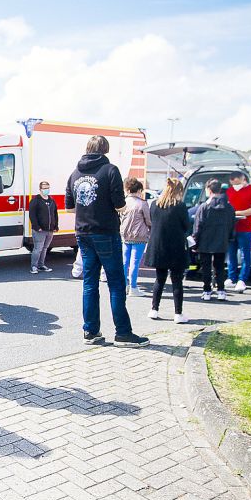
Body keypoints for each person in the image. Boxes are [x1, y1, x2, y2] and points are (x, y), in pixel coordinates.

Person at [65, 136, 150, 347]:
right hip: (105, 232)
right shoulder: (110, 170)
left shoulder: (75, 173)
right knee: (116, 283)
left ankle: (90, 331)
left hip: (82, 233)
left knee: (90, 283)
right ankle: (123, 332)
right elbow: (120, 205)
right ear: (105, 150)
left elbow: (69, 207)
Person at [145, 178, 190, 323]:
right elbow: (186, 226)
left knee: (159, 279)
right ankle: (178, 314)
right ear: (179, 191)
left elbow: (153, 222)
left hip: (158, 247)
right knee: (177, 281)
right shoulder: (180, 206)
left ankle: (154, 309)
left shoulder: (154, 205)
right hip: (176, 247)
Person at [193, 179, 235, 302]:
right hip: (222, 241)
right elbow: (232, 225)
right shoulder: (229, 207)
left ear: (209, 190)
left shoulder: (204, 207)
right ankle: (221, 291)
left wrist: (195, 242)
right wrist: (229, 238)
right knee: (220, 267)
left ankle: (207, 291)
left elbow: (198, 226)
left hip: (205, 242)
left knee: (206, 267)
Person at [225, 171, 251, 293]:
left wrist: (237, 213)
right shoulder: (229, 191)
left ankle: (242, 279)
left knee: (245, 255)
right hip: (231, 227)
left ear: (243, 179)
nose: (235, 186)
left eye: (237, 183)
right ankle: (231, 277)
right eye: (233, 183)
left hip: (246, 228)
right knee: (231, 254)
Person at [119, 177, 151, 296]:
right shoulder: (142, 203)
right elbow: (148, 221)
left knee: (124, 262)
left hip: (125, 236)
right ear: (138, 190)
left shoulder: (124, 203)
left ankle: (124, 285)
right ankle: (133, 287)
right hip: (139, 237)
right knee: (135, 262)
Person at [28, 180, 59, 274]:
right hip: (39, 230)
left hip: (50, 229)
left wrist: (55, 225)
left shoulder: (51, 200)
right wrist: (37, 227)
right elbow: (32, 215)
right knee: (38, 248)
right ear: (40, 189)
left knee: (45, 248)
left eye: (47, 188)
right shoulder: (35, 200)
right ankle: (34, 266)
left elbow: (55, 214)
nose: (46, 190)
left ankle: (41, 265)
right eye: (44, 188)